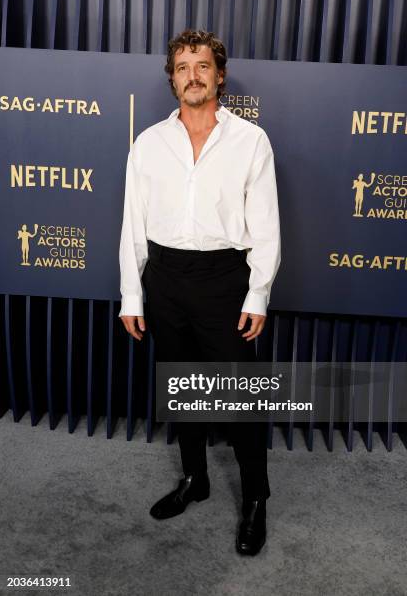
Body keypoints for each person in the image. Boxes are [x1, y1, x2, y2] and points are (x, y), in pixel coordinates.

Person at [119, 29, 281, 556]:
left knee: (240, 402)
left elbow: (267, 227)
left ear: (219, 75)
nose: (193, 75)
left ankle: (256, 495)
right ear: (172, 78)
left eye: (202, 66)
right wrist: (132, 296)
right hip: (164, 279)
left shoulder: (250, 141)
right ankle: (195, 479)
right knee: (181, 389)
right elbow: (133, 227)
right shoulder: (148, 143)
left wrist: (257, 293)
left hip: (223, 282)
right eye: (183, 66)